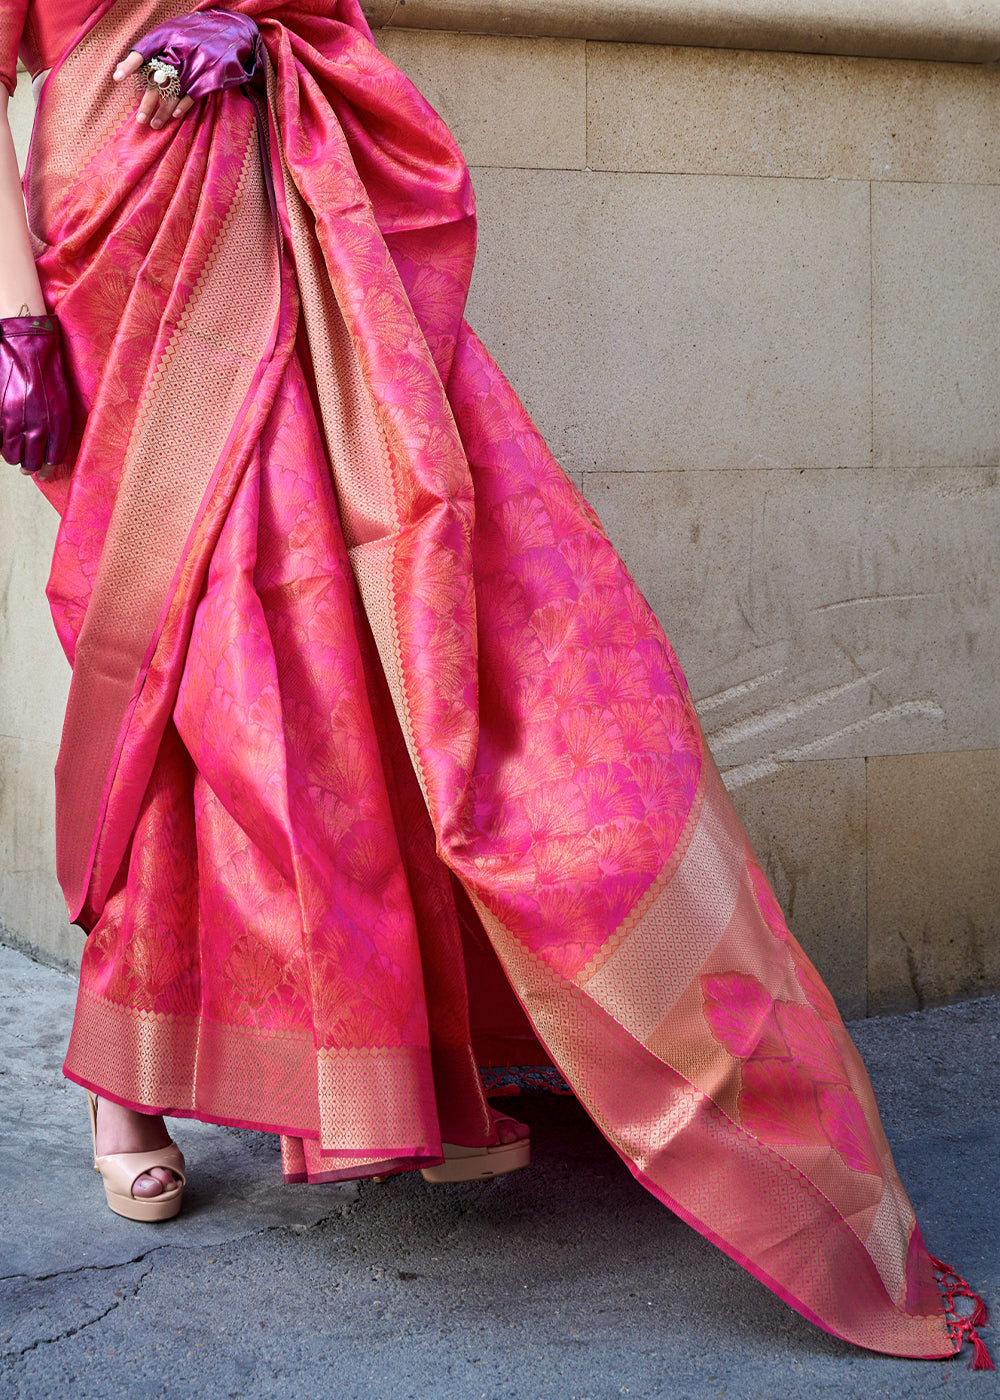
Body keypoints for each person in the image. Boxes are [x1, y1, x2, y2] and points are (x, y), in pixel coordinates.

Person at [0, 0, 991, 1368]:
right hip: (113, 236)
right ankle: (126, 1097)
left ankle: (410, 1074)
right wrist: (12, 311)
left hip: (284, 214)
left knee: (344, 662)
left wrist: (262, 36)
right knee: (175, 666)